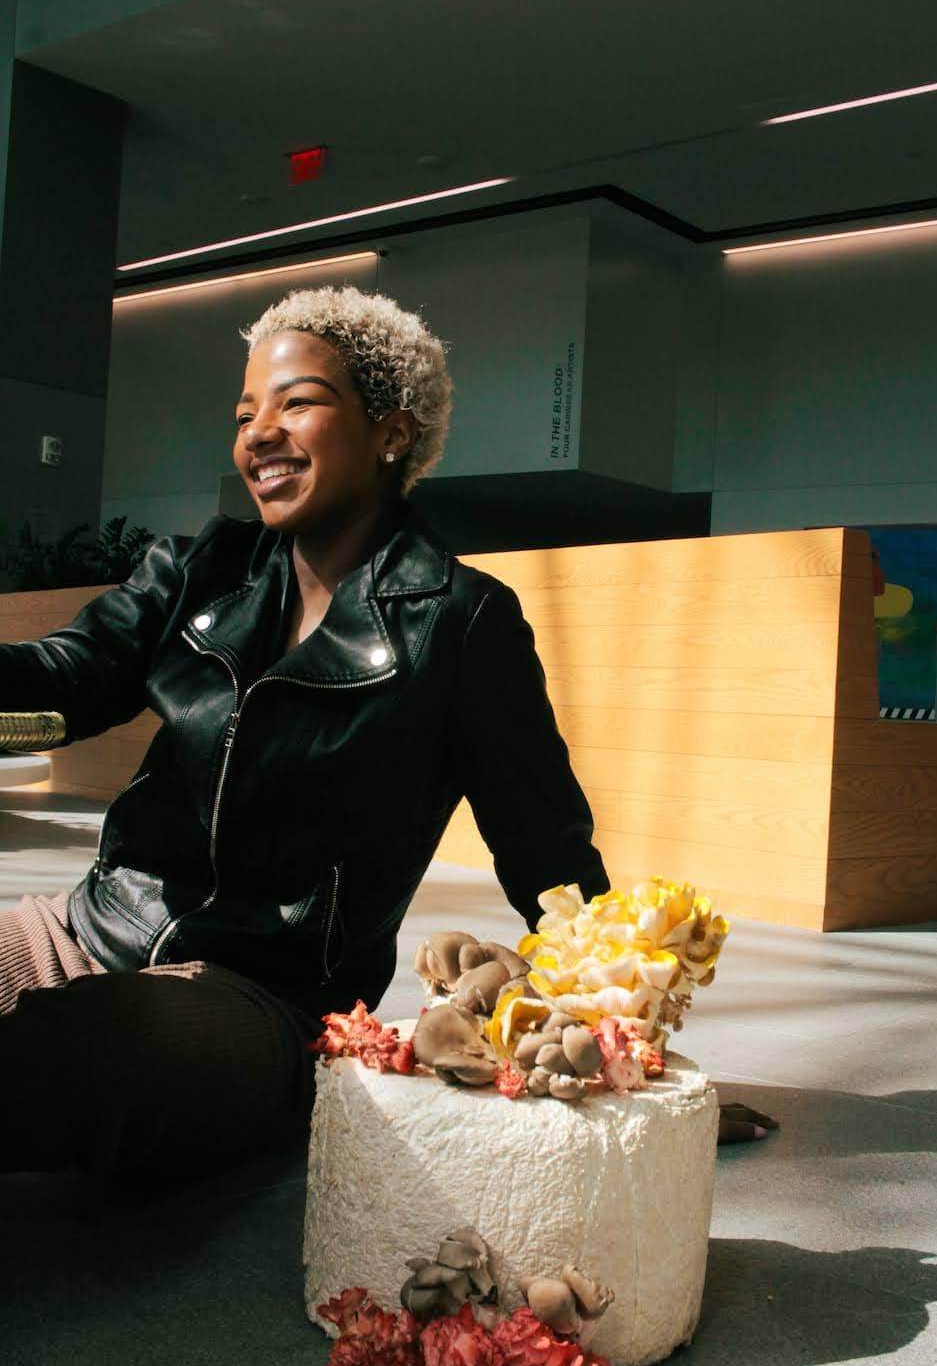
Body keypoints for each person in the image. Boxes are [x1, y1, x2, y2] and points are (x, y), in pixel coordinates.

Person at [0, 285, 774, 1184]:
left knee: (66, 1060)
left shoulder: (461, 622)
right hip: (83, 931)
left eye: (297, 402)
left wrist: (626, 1058)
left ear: (391, 432)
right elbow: (69, 677)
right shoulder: (198, 568)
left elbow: (548, 857)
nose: (257, 432)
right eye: (246, 411)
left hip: (260, 1001)